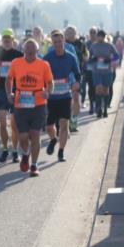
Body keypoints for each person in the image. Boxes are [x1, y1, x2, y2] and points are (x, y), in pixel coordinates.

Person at [6, 39, 54, 176]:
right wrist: (9, 93)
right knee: (23, 137)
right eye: (27, 49)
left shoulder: (44, 64)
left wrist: (48, 92)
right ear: (23, 50)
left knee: (35, 135)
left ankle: (34, 165)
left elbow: (50, 82)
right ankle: (26, 154)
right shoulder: (16, 63)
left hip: (38, 104)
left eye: (33, 49)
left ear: (37, 51)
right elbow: (9, 79)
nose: (30, 51)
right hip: (21, 104)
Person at [43, 30, 82, 162]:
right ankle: (53, 139)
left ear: (64, 41)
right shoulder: (47, 58)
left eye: (60, 41)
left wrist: (77, 82)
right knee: (49, 126)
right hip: (51, 97)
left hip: (65, 96)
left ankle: (61, 151)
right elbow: (41, 74)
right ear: (52, 43)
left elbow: (77, 73)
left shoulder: (71, 57)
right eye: (55, 42)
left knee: (64, 124)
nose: (58, 44)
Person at [0, 31, 23, 163]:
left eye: (8, 38)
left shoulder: (19, 54)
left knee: (14, 125)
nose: (6, 40)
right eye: (4, 38)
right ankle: (5, 149)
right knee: (2, 124)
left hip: (15, 90)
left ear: (12, 39)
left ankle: (15, 151)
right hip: (0, 90)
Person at [89, 30, 121, 118]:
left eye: (101, 36)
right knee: (98, 88)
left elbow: (117, 56)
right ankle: (99, 109)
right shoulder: (93, 45)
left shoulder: (109, 45)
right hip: (96, 71)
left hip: (107, 71)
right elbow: (89, 56)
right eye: (98, 36)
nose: (100, 38)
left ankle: (105, 110)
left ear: (104, 37)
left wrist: (110, 60)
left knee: (106, 90)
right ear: (97, 37)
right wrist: (93, 59)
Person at [64, 26, 88, 132]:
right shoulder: (62, 43)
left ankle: (74, 119)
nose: (70, 34)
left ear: (76, 33)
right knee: (67, 99)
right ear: (65, 34)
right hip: (65, 75)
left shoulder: (81, 44)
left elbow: (86, 56)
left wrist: (83, 59)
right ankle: (68, 119)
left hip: (77, 73)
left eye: (72, 32)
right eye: (68, 32)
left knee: (76, 98)